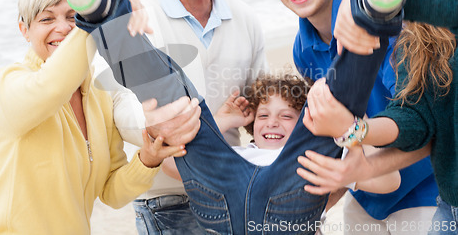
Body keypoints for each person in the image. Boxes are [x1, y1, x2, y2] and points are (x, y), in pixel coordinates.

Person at [59, 0, 422, 234]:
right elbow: (126, 106)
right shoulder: (148, 10)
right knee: (185, 112)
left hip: (221, 196)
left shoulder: (245, 19)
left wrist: (341, 159)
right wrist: (177, 130)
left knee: (324, 105)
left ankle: (103, 12)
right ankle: (373, 13)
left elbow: (394, 144)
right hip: (208, 195)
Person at [0, 0, 195, 235]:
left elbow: (111, 192)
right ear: (25, 30)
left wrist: (148, 158)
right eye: (47, 19)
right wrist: (95, 17)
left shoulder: (99, 98)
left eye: (73, 17)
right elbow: (51, 86)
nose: (64, 28)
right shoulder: (6, 86)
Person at [265, 0, 438, 234]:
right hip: (364, 193)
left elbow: (414, 120)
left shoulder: (397, 32)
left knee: (375, 19)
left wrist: (350, 131)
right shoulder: (302, 50)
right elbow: (333, 133)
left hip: (425, 192)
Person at [101, 0, 267, 233]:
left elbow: (262, 107)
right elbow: (125, 116)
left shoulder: (244, 17)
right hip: (169, 203)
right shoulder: (135, 19)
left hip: (236, 191)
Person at [298, 0, 458, 233]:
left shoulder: (421, 13)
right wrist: (355, 134)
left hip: (423, 200)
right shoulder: (417, 35)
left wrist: (362, 3)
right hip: (450, 208)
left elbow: (450, 5)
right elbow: (419, 121)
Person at [162, 72, 401, 197]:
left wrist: (352, 124)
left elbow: (388, 181)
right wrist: (223, 121)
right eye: (263, 116)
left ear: (305, 124)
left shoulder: (314, 160)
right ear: (252, 124)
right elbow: (171, 164)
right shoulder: (238, 157)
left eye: (287, 116)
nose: (272, 123)